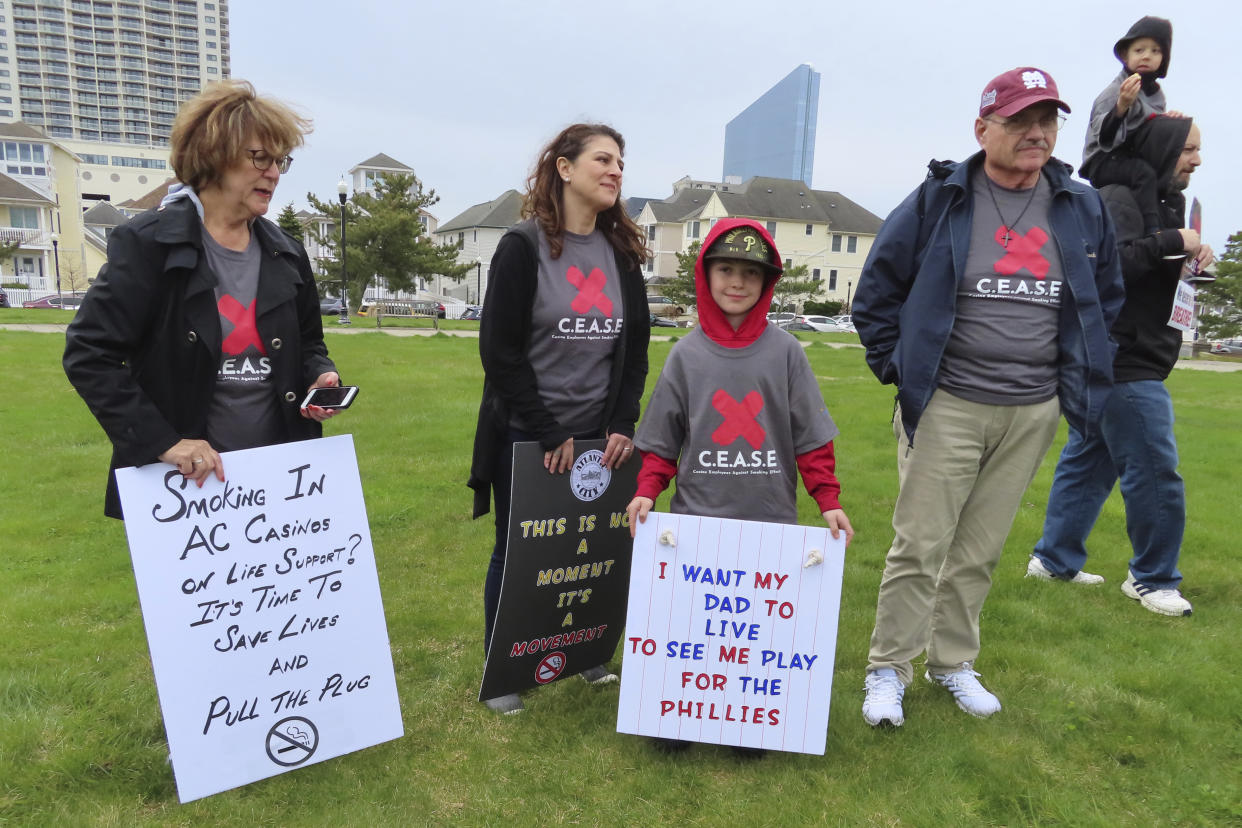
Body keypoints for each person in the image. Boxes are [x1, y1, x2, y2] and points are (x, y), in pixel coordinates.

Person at [852, 67, 1125, 728]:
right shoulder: (940, 197)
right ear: (983, 129)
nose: (1037, 133)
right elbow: (877, 293)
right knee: (920, 545)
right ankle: (889, 668)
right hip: (948, 403)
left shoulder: (1081, 204)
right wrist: (903, 368)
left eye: (1048, 120)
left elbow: (1105, 298)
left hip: (1032, 408)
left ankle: (952, 664)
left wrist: (1077, 377)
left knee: (979, 549)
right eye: (1019, 120)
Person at [626, 218, 853, 756]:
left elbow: (812, 439)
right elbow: (662, 440)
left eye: (751, 273)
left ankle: (749, 722)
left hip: (768, 523)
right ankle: (676, 715)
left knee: (755, 633)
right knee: (691, 625)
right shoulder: (686, 355)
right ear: (706, 274)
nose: (737, 282)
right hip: (697, 524)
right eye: (726, 269)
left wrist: (829, 501)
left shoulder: (787, 353)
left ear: (767, 283)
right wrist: (646, 490)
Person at [64, 80, 340, 520]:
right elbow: (88, 355)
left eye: (280, 161)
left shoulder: (286, 252)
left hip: (279, 480)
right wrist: (163, 442)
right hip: (185, 488)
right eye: (260, 158)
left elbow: (309, 344)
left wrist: (319, 377)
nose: (273, 173)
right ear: (214, 155)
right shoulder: (148, 244)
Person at [467, 123, 650, 715]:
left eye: (621, 162)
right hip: (528, 433)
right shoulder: (521, 248)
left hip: (602, 439)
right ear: (565, 169)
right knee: (518, 551)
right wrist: (550, 432)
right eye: (603, 159)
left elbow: (635, 351)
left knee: (593, 548)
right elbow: (500, 353)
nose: (616, 170)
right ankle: (504, 674)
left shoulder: (621, 256)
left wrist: (621, 423)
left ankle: (587, 651)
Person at [1028, 116, 1213, 616]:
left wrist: (1189, 256)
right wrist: (1176, 242)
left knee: (1091, 460)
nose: (1196, 159)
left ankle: (1052, 561)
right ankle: (1152, 579)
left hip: (1131, 352)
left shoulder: (1164, 198)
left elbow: (1153, 262)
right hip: (1122, 356)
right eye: (1189, 149)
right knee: (1155, 469)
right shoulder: (1118, 197)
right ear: (1163, 150)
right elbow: (1106, 263)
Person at [1081, 16, 1178, 236]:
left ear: (1164, 58)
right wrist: (1121, 106)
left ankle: (1172, 229)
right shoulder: (1117, 91)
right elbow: (1104, 138)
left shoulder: (1156, 94)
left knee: (1166, 179)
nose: (1146, 56)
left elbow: (1150, 130)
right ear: (1126, 56)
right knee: (1143, 174)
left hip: (1130, 155)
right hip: (1102, 160)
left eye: (1155, 51)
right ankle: (1153, 231)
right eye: (1139, 50)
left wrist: (1169, 122)